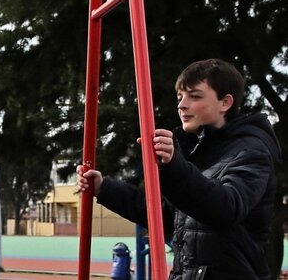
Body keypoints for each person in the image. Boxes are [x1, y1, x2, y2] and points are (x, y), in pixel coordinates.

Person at [77, 59, 281, 279]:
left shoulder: (251, 151)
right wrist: (105, 188)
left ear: (225, 103)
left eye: (194, 96)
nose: (182, 105)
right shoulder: (200, 151)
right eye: (180, 97)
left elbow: (225, 207)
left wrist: (175, 166)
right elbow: (164, 214)